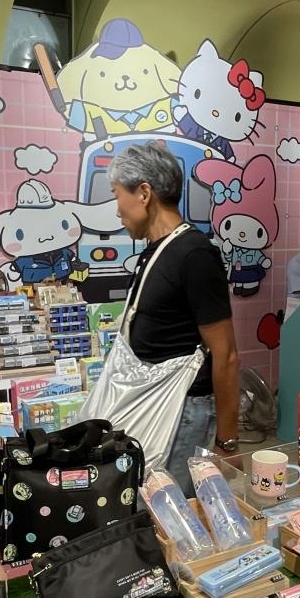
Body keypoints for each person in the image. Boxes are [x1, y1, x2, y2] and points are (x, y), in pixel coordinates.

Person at [106, 142, 240, 495]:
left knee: (171, 511)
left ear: (144, 193)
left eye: (117, 195)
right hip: (153, 407)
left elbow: (226, 354)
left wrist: (227, 443)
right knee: (149, 504)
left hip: (184, 411)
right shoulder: (154, 252)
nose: (117, 210)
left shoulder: (194, 254)